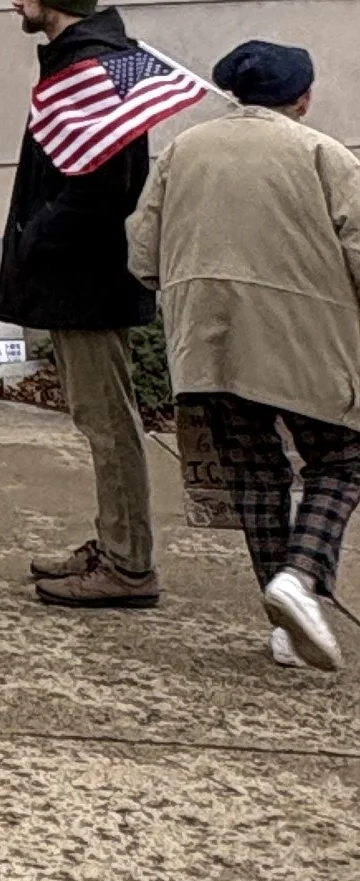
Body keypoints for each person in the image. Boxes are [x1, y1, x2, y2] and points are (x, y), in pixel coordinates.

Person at [129, 38, 360, 676]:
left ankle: (287, 622)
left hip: (206, 343)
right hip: (307, 339)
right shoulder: (324, 154)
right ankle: (302, 579)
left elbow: (142, 255)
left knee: (257, 480)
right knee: (341, 460)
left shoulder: (182, 151)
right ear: (304, 97)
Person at [0, 0, 164, 611]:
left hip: (87, 279)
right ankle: (115, 543)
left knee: (107, 419)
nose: (16, 0)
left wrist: (39, 232)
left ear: (50, 0)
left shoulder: (96, 68)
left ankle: (127, 562)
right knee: (98, 417)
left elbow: (104, 186)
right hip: (80, 274)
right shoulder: (90, 60)